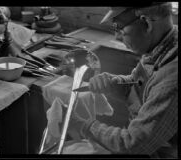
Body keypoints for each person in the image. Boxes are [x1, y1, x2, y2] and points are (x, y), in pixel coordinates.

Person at [68, 2, 178, 158]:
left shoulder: (173, 76)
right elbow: (140, 83)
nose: (117, 36)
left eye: (119, 27)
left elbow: (132, 144)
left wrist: (82, 125)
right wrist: (114, 83)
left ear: (146, 24)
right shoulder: (160, 47)